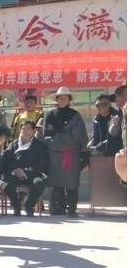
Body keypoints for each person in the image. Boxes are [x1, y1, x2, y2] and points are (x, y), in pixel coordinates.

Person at [42, 86, 88, 218]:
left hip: (72, 154)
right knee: (56, 182)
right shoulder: (50, 115)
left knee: (72, 183)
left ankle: (72, 209)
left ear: (69, 100)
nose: (62, 100)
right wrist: (59, 141)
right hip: (54, 155)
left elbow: (79, 135)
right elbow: (46, 135)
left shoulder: (75, 116)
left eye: (65, 98)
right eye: (60, 98)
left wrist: (59, 140)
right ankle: (57, 208)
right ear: (56, 99)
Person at [1, 120, 50, 216]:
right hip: (16, 174)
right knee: (6, 183)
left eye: (29, 129)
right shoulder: (14, 145)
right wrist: (16, 170)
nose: (25, 131)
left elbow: (42, 164)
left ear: (34, 131)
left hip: (32, 174)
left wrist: (25, 171)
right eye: (23, 129)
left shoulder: (40, 146)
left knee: (39, 183)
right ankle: (16, 206)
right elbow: (6, 161)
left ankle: (29, 205)